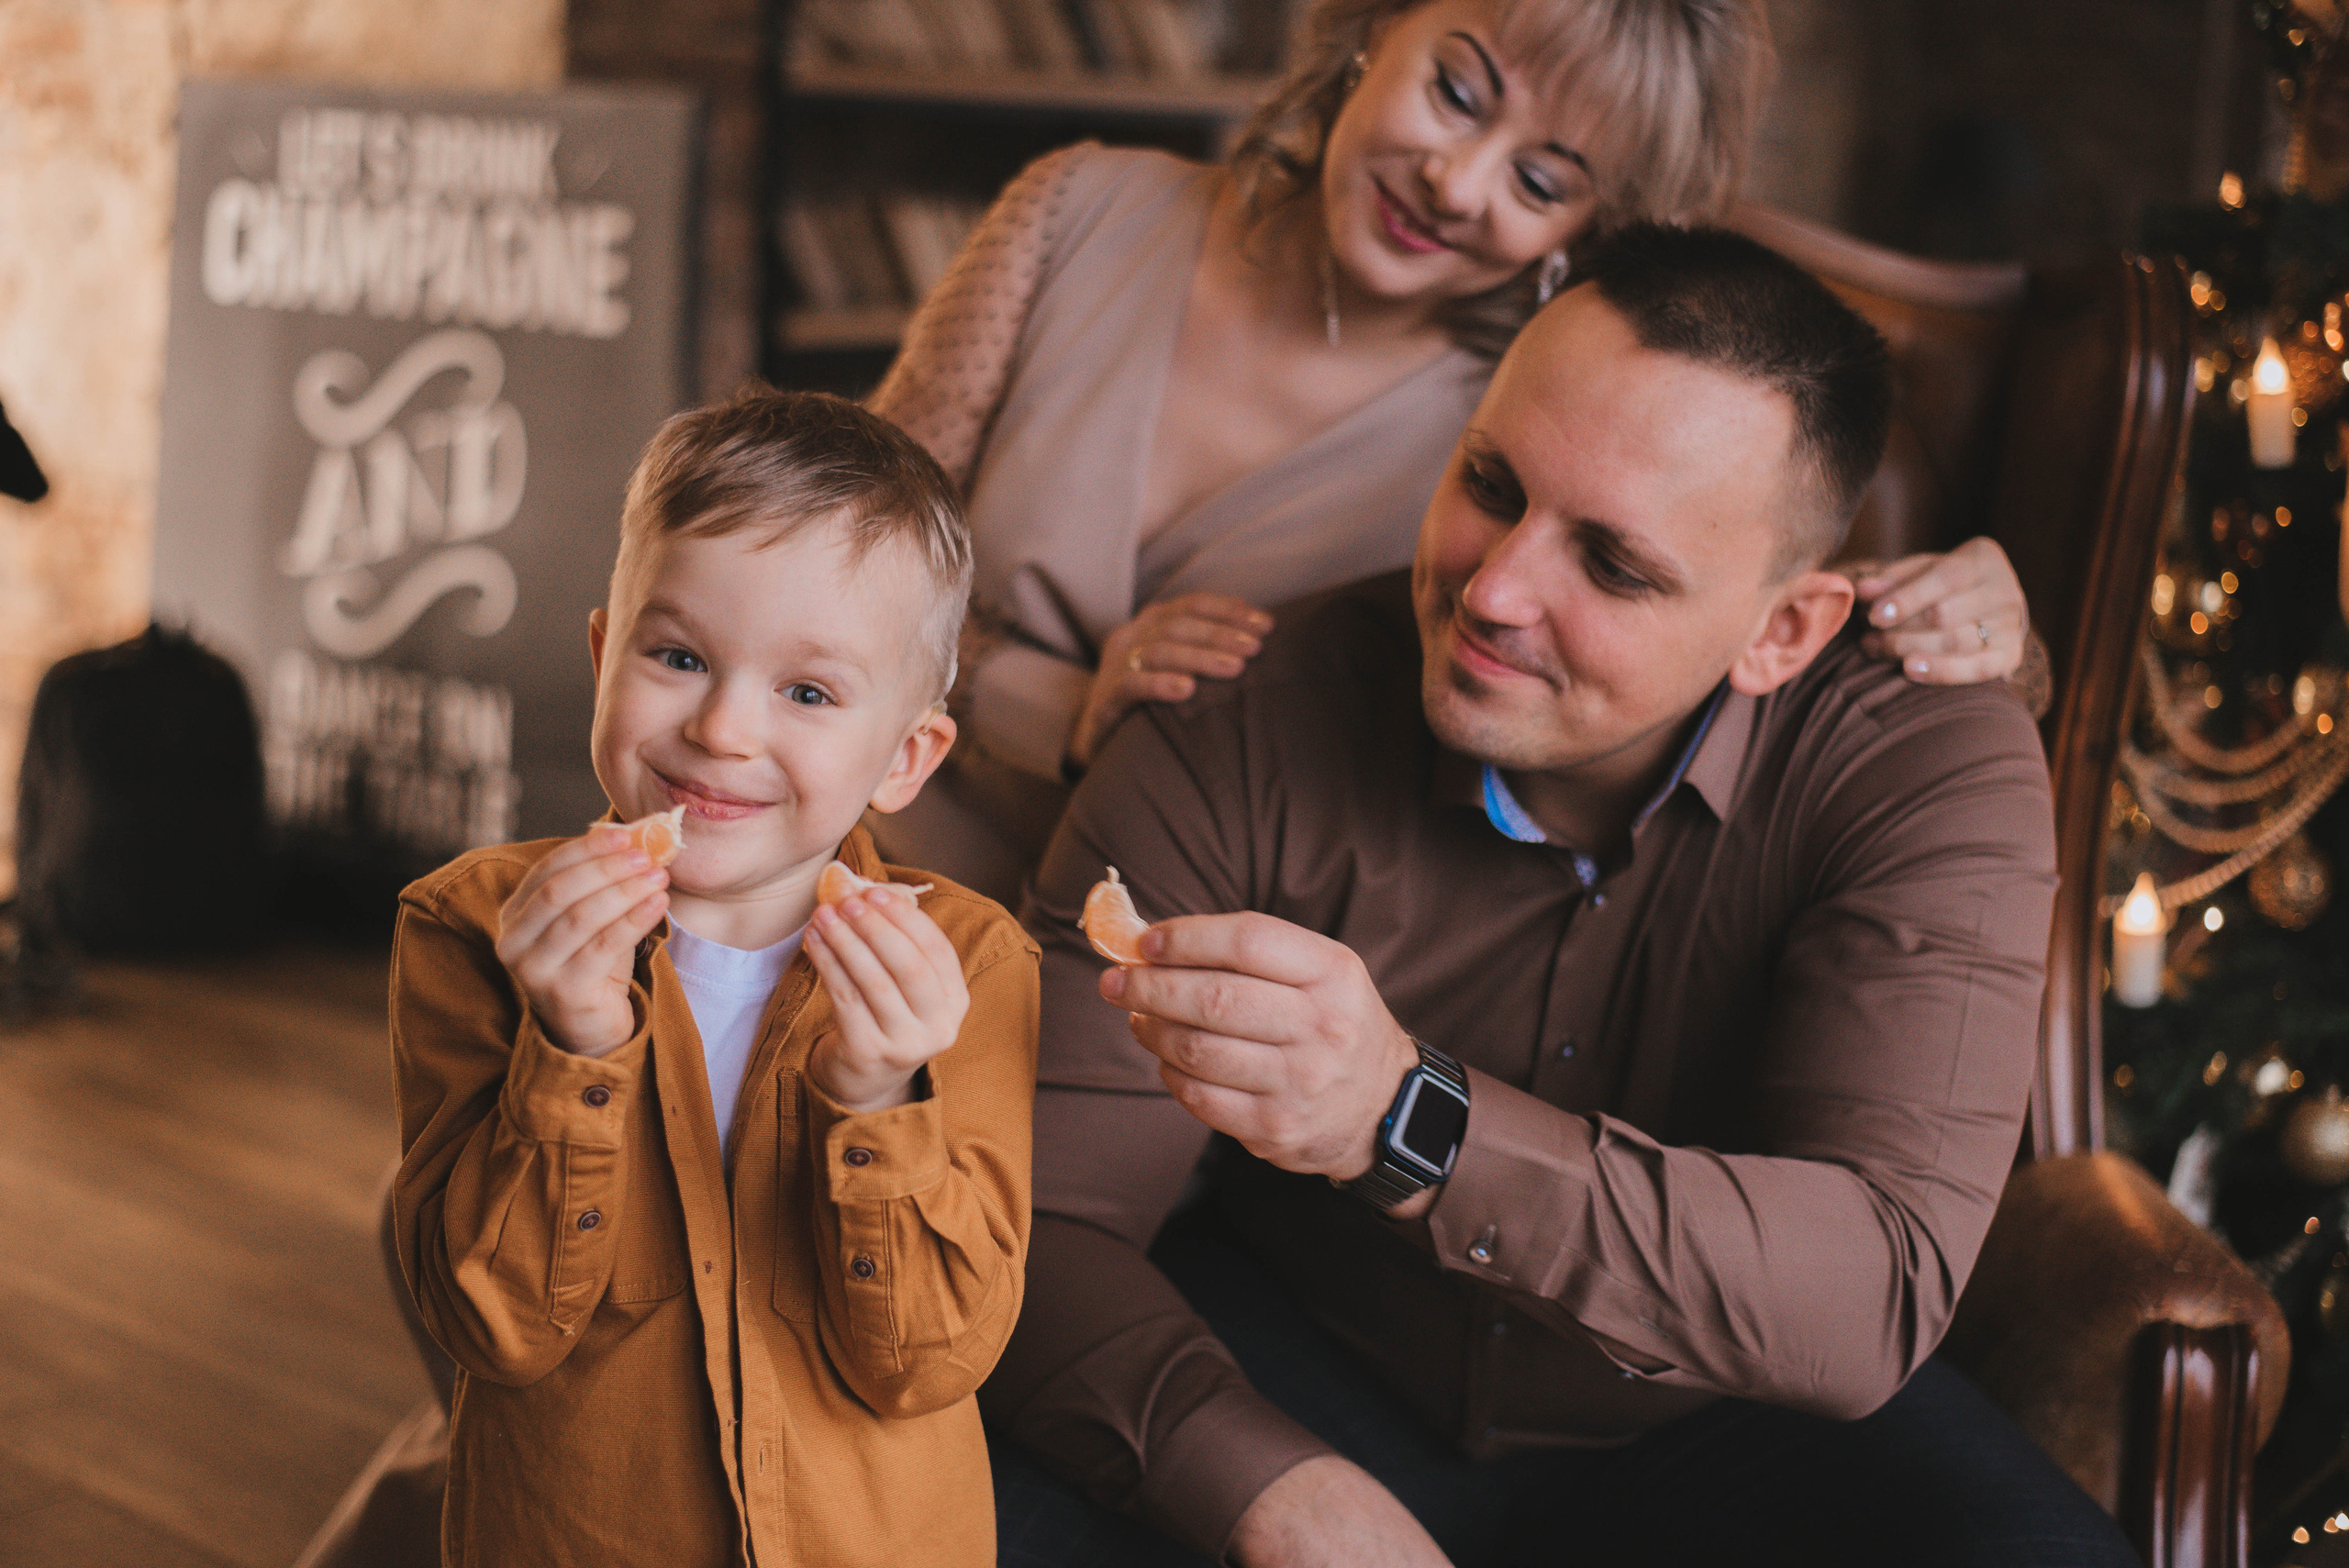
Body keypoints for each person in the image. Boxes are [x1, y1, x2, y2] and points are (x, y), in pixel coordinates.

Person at [983, 225, 2134, 1568]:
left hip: (1720, 1410)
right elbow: (1039, 1219)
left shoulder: (1926, 757)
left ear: (1783, 630)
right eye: (1490, 480)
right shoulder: (1234, 719)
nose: (1494, 588)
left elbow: (1871, 1280)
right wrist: (1265, 1486)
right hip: (1310, 1350)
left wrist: (1405, 1120)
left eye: (1615, 563)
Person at [867, 0, 2038, 906]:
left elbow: (1749, 652)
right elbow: (838, 558)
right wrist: (1057, 703)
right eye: (1456, 90)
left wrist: (1994, 628)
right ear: (1377, 30)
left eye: (1541, 181)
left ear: (1590, 227)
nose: (1454, 181)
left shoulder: (1532, 443)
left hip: (1136, 982)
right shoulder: (1080, 207)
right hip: (839, 843)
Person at [386, 391, 1039, 1568]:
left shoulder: (971, 968)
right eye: (678, 656)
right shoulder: (469, 928)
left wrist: (882, 1095)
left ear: (904, 755)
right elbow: (485, 1323)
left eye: (808, 691)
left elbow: (930, 1358)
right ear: (603, 655)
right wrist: (573, 1047)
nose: (725, 728)